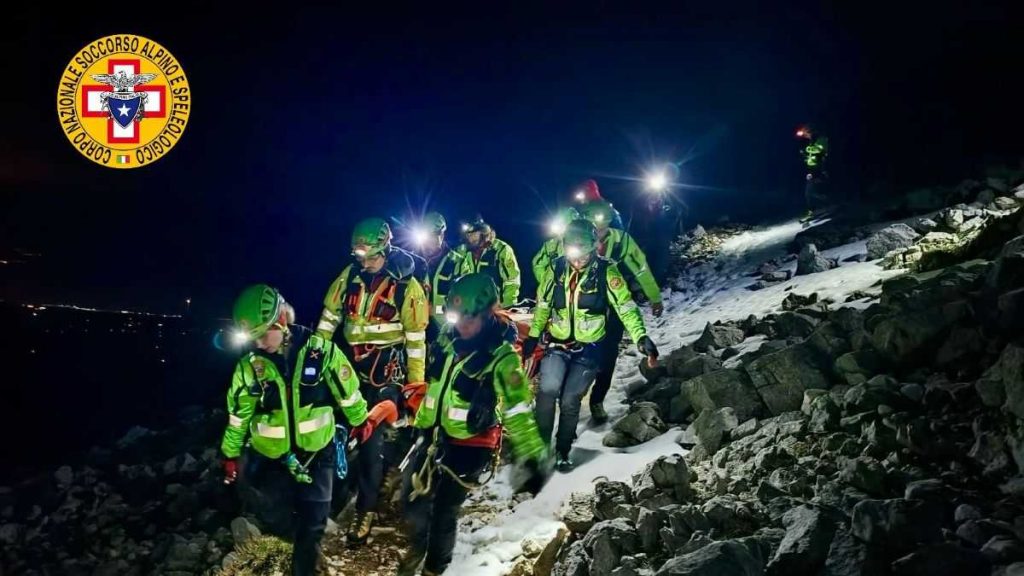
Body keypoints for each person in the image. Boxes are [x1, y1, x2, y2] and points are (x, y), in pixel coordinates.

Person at [221, 284, 385, 575]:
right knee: (276, 518)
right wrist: (230, 454)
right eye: (253, 337)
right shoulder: (249, 367)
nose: (259, 343)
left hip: (318, 455)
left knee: (313, 524)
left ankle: (305, 564)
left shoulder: (321, 352)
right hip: (272, 460)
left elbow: (348, 394)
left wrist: (361, 421)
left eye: (263, 334)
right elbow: (238, 416)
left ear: (282, 320)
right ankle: (302, 549)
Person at [398, 273, 548, 575]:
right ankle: (420, 543)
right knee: (411, 498)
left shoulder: (503, 358)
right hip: (434, 433)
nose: (463, 326)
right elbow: (436, 384)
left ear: (488, 314)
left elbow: (519, 410)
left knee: (444, 509)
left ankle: (434, 568)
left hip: (472, 445)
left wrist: (533, 459)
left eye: (470, 319)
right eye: (457, 318)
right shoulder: (448, 340)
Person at [315, 217, 429, 545]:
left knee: (370, 440)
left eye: (368, 255)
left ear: (383, 249)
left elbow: (416, 341)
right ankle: (326, 497)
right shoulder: (349, 276)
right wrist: (316, 357)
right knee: (332, 428)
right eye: (358, 255)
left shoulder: (406, 286)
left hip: (386, 372)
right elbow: (329, 319)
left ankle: (364, 510)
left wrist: (414, 387)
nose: (362, 261)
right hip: (351, 366)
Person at [524, 220, 658, 470]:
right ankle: (540, 448)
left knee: (570, 399)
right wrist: (533, 336)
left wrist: (641, 337)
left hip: (589, 349)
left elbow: (625, 307)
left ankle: (563, 449)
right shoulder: (555, 269)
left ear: (594, 248)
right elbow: (543, 306)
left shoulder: (607, 272)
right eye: (573, 254)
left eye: (583, 254)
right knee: (547, 391)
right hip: (557, 345)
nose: (578, 261)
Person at [570, 200, 663, 424]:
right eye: (594, 225)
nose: (598, 232)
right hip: (580, 306)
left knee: (609, 352)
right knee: (576, 349)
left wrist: (654, 297)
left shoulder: (622, 242)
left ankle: (597, 400)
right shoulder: (571, 240)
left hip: (613, 306)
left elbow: (640, 268)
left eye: (602, 226)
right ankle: (575, 391)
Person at [410, 211, 470, 344]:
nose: (428, 242)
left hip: (446, 328)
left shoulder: (457, 262)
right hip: (416, 325)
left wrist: (435, 309)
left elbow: (465, 299)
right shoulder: (412, 262)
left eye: (432, 237)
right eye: (425, 237)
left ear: (442, 235)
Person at [456, 215, 521, 308]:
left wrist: (506, 306)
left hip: (497, 308)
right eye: (467, 234)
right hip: (474, 309)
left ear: (483, 232)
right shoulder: (463, 252)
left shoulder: (501, 250)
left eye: (473, 234)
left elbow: (512, 280)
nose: (469, 238)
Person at [531, 206, 579, 285]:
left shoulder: (584, 245)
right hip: (551, 290)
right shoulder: (550, 245)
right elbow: (538, 265)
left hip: (574, 289)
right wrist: (546, 282)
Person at [796, 125, 830, 212]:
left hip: (819, 168)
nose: (806, 136)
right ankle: (813, 209)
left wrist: (807, 149)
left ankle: (825, 204)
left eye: (807, 134)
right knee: (810, 192)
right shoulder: (811, 141)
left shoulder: (821, 139)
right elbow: (810, 156)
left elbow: (819, 150)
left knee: (812, 191)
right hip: (812, 169)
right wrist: (805, 155)